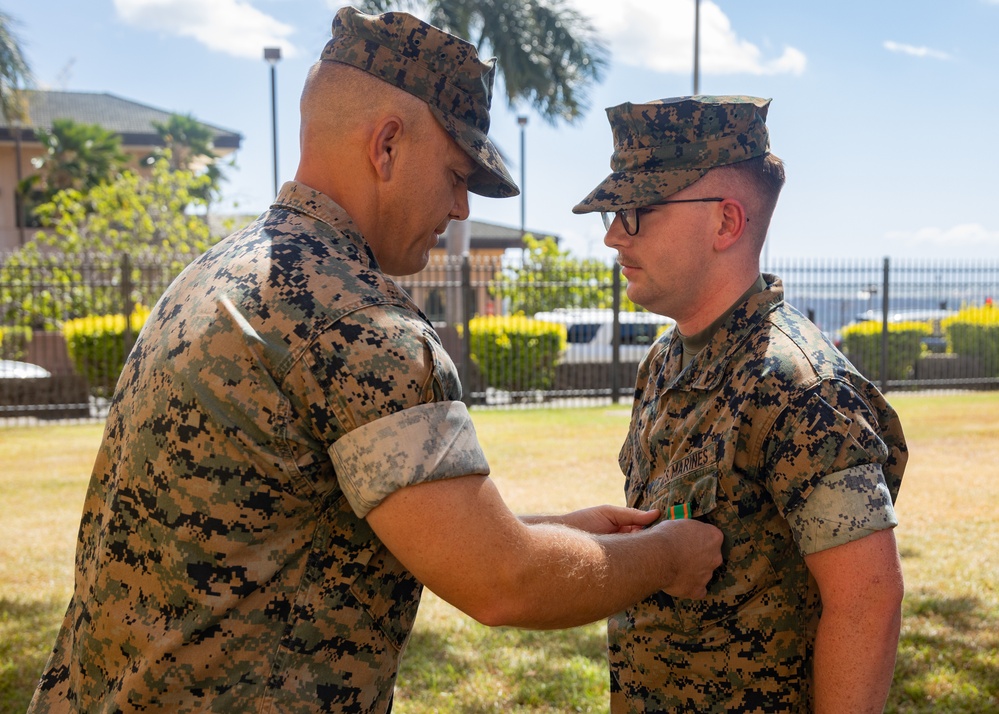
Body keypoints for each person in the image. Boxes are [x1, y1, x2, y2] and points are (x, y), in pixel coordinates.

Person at [27, 10, 723, 714]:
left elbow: (348, 515)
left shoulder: (215, 273)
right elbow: (503, 582)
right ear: (387, 145)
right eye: (456, 175)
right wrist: (669, 555)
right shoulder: (361, 324)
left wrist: (560, 530)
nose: (458, 207)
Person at [573, 96, 907, 713]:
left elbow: (868, 597)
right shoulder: (666, 361)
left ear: (726, 223)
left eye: (637, 209)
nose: (614, 234)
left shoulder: (800, 387)